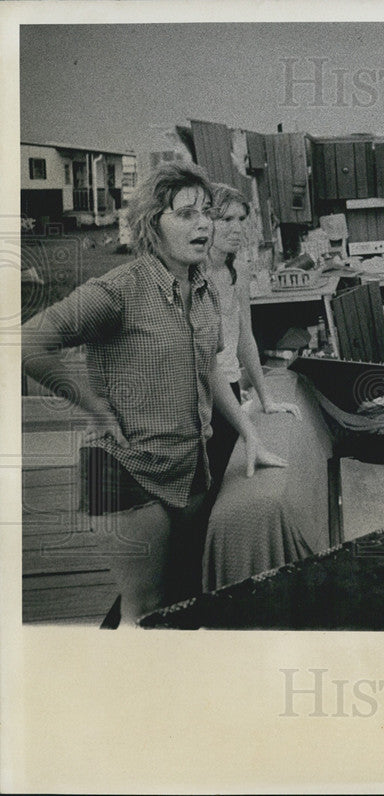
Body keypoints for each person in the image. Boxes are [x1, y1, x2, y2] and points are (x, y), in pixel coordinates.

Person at [21, 162, 284, 625]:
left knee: (179, 593)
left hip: (187, 463)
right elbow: (28, 342)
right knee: (142, 607)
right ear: (151, 225)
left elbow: (207, 369)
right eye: (185, 214)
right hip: (123, 468)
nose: (203, 224)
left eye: (206, 212)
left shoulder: (203, 289)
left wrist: (250, 435)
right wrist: (93, 404)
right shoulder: (117, 291)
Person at [204, 183, 300, 496]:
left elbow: (245, 335)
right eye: (226, 219)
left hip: (230, 383)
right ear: (206, 221)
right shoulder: (194, 274)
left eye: (241, 219)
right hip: (201, 391)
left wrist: (266, 398)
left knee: (228, 477)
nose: (236, 228)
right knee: (206, 482)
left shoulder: (239, 271)